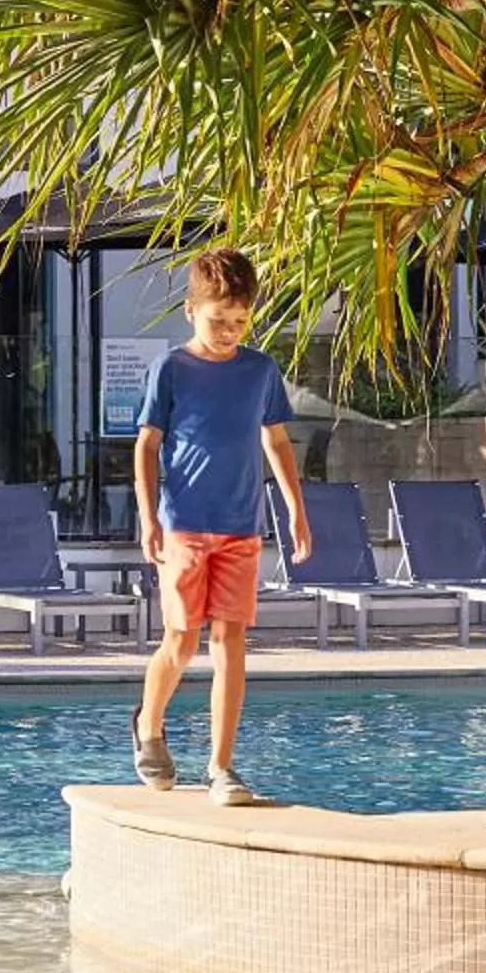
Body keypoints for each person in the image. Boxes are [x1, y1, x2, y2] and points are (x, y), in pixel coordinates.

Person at [131, 248, 312, 807]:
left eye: (239, 321)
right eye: (218, 321)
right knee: (182, 641)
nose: (229, 331)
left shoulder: (260, 370)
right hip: (184, 525)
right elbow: (147, 446)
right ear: (191, 310)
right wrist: (147, 517)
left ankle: (221, 766)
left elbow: (276, 440)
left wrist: (295, 510)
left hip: (241, 527)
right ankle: (150, 724)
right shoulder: (172, 369)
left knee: (231, 641)